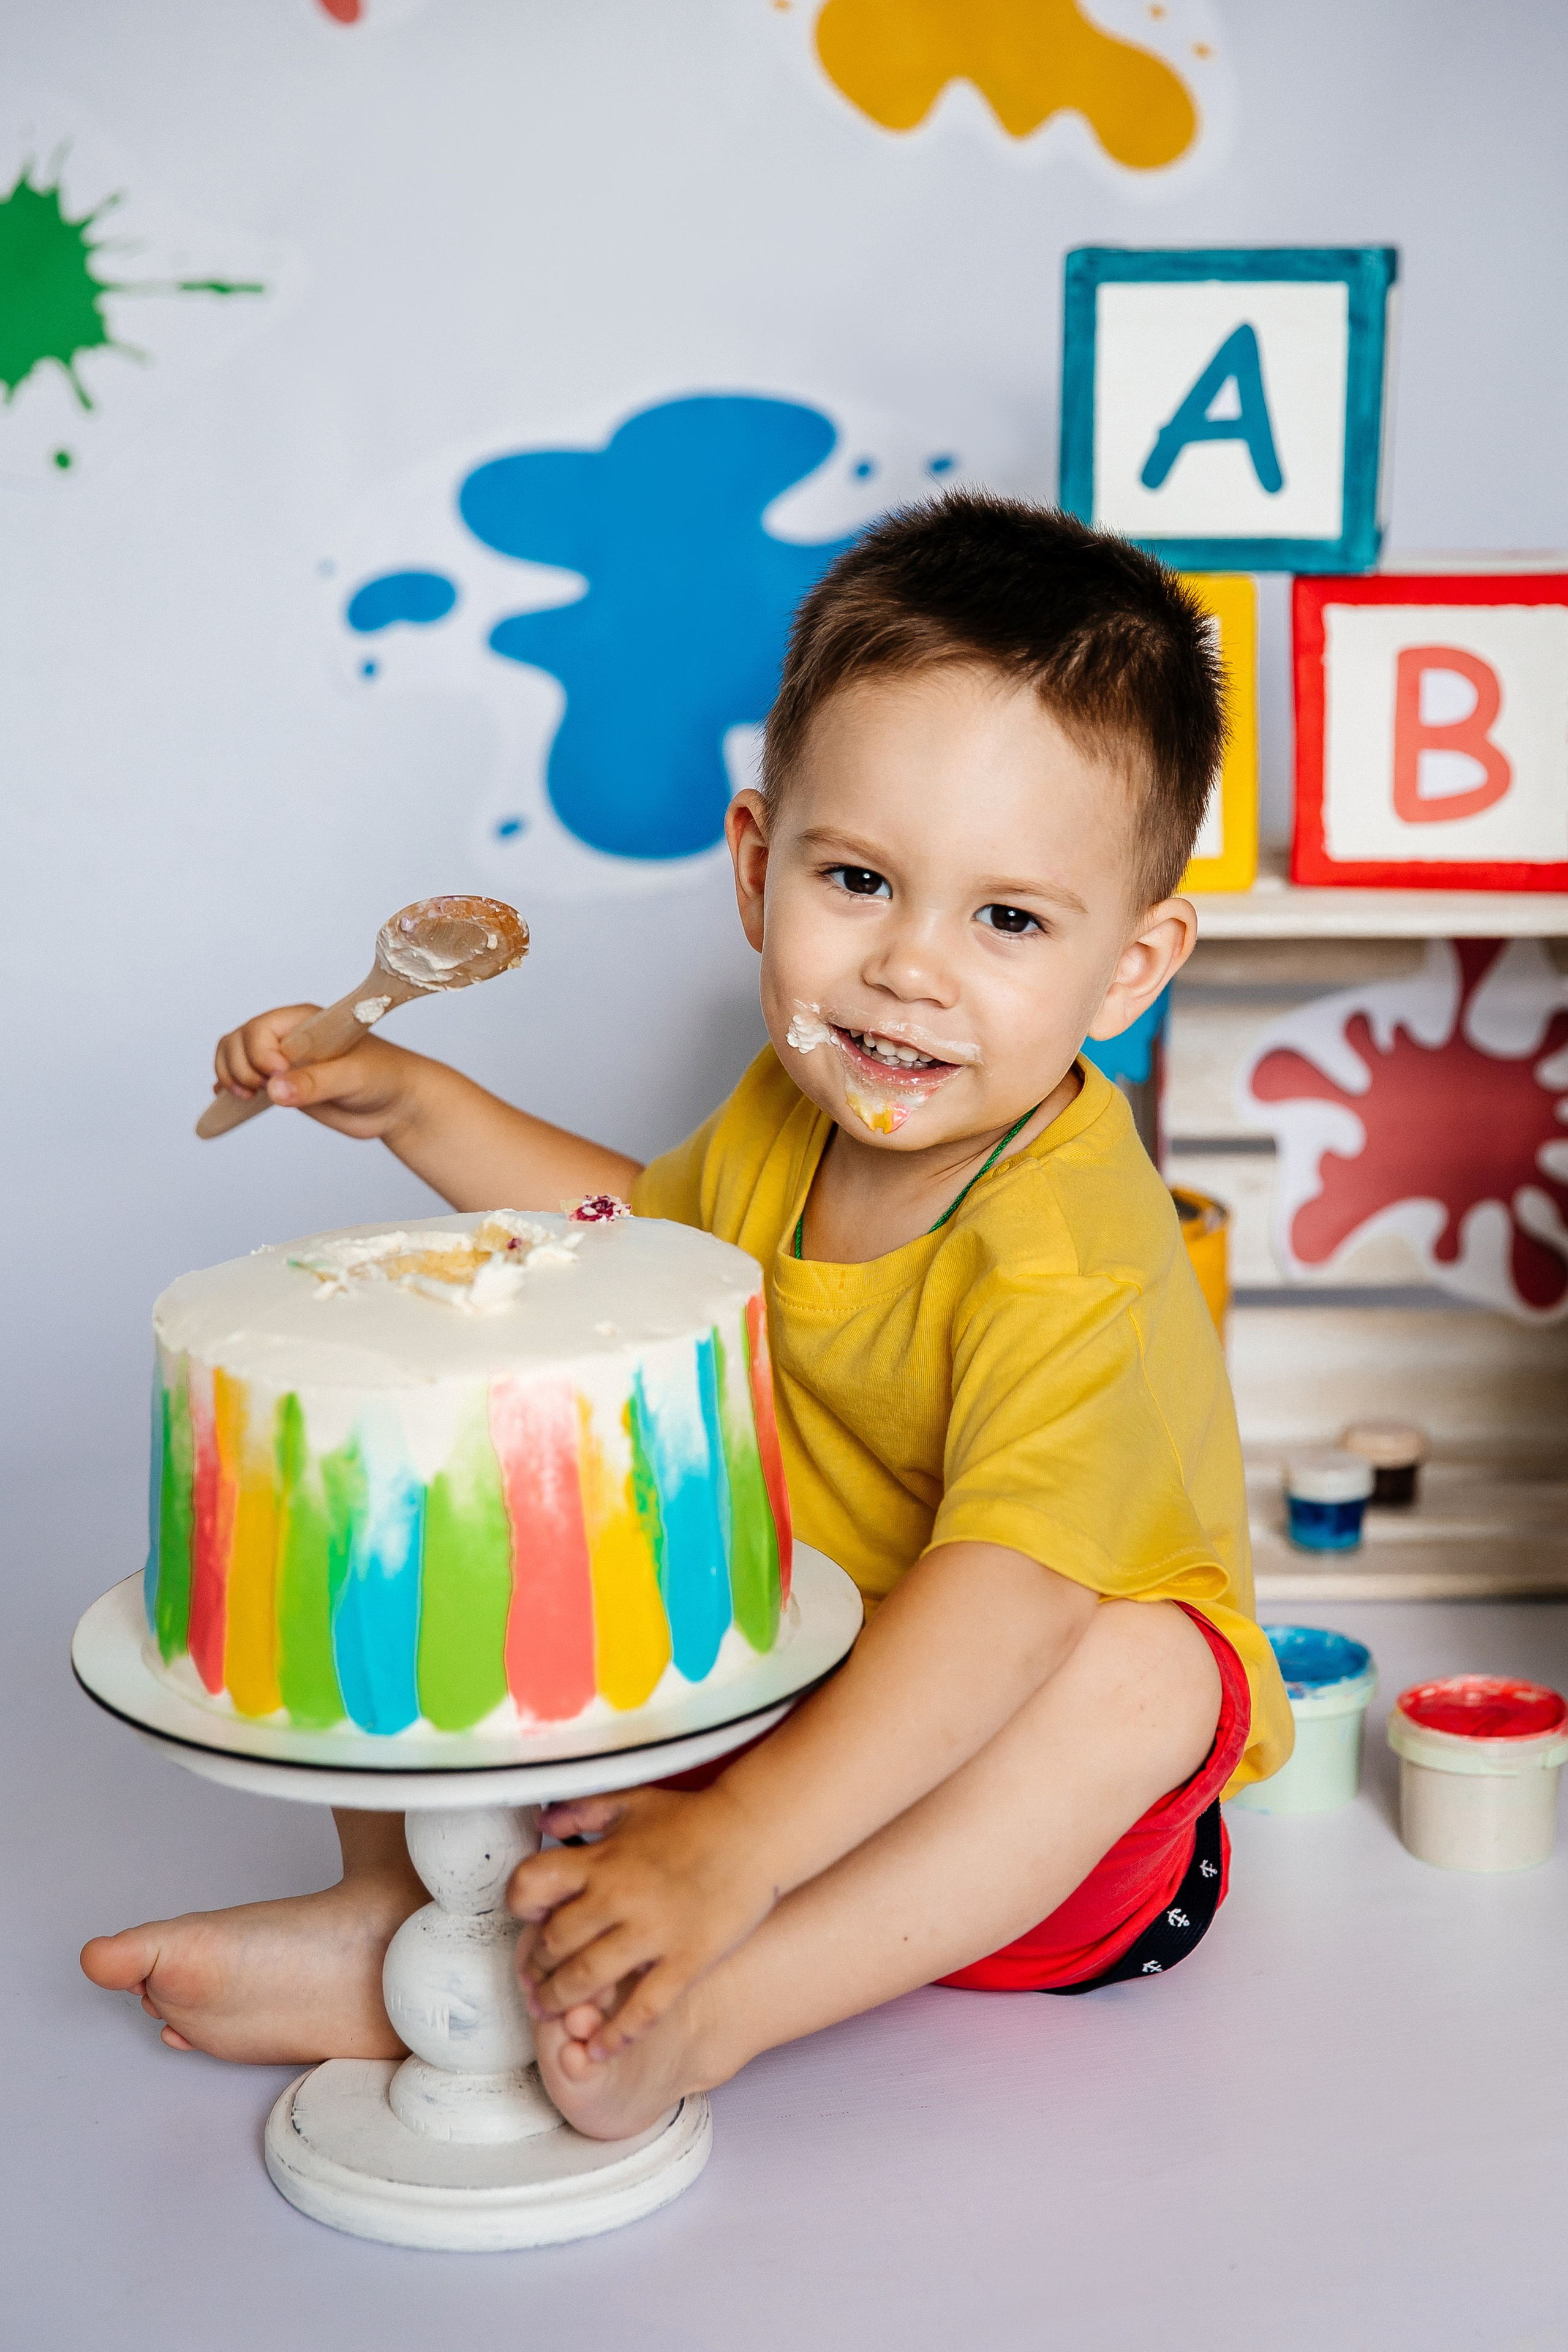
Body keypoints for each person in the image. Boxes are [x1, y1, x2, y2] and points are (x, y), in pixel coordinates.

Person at [83, 493, 1291, 2138]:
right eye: (860, 880)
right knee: (490, 1461)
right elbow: (638, 1242)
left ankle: (718, 2008)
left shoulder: (1068, 1248)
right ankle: (417, 1932)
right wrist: (415, 1102)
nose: (909, 973)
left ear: (1132, 971)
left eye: (1007, 920)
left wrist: (744, 1846)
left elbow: (1004, 1609)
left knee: (1146, 1673)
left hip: (1024, 1846)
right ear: (754, 866)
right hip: (784, 1722)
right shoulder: (800, 1113)